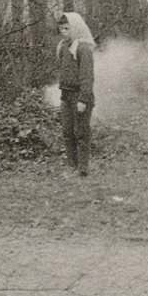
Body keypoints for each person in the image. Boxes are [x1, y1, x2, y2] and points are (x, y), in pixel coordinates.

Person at [57, 12, 95, 178]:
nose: (63, 32)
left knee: (81, 133)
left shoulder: (83, 49)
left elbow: (87, 77)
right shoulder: (63, 47)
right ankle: (72, 165)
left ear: (76, 28)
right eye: (61, 29)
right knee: (67, 131)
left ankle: (82, 168)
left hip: (80, 96)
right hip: (66, 95)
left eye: (67, 28)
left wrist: (83, 100)